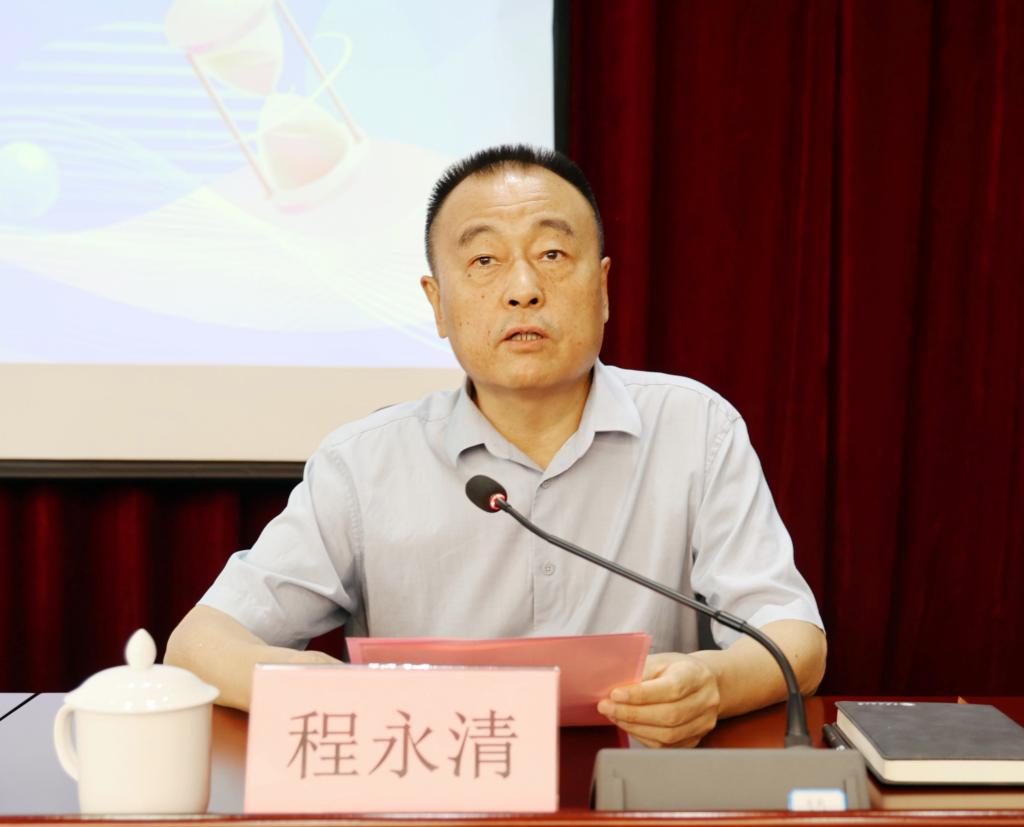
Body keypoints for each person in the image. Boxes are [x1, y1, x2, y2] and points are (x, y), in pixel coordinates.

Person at [166, 145, 826, 749]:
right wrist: (321, 689)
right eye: (484, 261)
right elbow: (198, 644)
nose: (523, 289)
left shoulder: (696, 427)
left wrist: (714, 683)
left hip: (638, 791)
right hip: (433, 796)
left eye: (553, 254)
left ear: (602, 289)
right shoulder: (363, 464)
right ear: (437, 303)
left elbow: (793, 637)